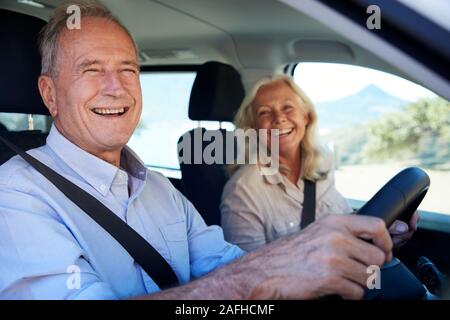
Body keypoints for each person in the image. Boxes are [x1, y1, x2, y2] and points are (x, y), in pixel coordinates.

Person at [0, 0, 393, 300]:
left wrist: (341, 249)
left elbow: (225, 264)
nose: (116, 87)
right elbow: (242, 277)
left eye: (128, 69)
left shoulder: (159, 188)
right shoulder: (16, 196)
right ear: (50, 94)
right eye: (91, 70)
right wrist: (252, 279)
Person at [221, 76, 419, 252]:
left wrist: (383, 232)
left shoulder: (322, 162)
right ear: (253, 128)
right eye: (264, 112)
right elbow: (247, 276)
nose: (279, 118)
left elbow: (338, 218)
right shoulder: (242, 190)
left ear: (306, 116)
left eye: (287, 107)